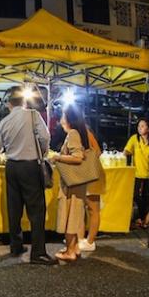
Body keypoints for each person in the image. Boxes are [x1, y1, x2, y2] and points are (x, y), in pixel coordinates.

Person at [0, 90, 56, 265]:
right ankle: (38, 253)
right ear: (24, 102)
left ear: (9, 104)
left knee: (14, 208)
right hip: (30, 166)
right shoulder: (34, 116)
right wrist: (42, 151)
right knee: (36, 211)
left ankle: (16, 245)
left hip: (11, 167)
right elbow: (45, 137)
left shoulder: (4, 121)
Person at [51, 105, 90, 262]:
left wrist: (57, 157)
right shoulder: (79, 133)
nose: (61, 119)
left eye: (63, 116)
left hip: (72, 183)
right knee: (74, 216)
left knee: (69, 216)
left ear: (69, 119)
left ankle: (70, 251)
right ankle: (74, 248)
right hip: (77, 183)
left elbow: (78, 157)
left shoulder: (73, 134)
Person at [78, 126, 104, 252]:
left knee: (93, 209)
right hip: (82, 176)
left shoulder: (84, 132)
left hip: (90, 174)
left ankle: (90, 241)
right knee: (80, 208)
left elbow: (97, 152)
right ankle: (81, 239)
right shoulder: (77, 132)